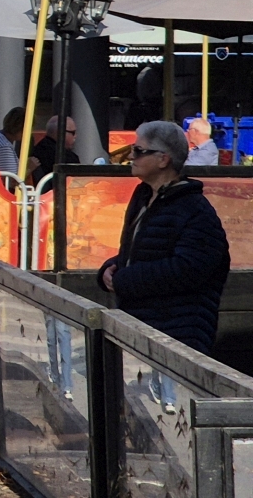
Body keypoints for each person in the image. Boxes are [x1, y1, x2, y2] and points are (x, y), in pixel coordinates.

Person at [99, 120, 230, 355]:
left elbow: (188, 269)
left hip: (177, 337)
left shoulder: (195, 209)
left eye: (139, 151)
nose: (131, 156)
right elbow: (144, 249)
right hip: (141, 329)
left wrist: (124, 278)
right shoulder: (144, 196)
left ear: (163, 159)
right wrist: (112, 267)